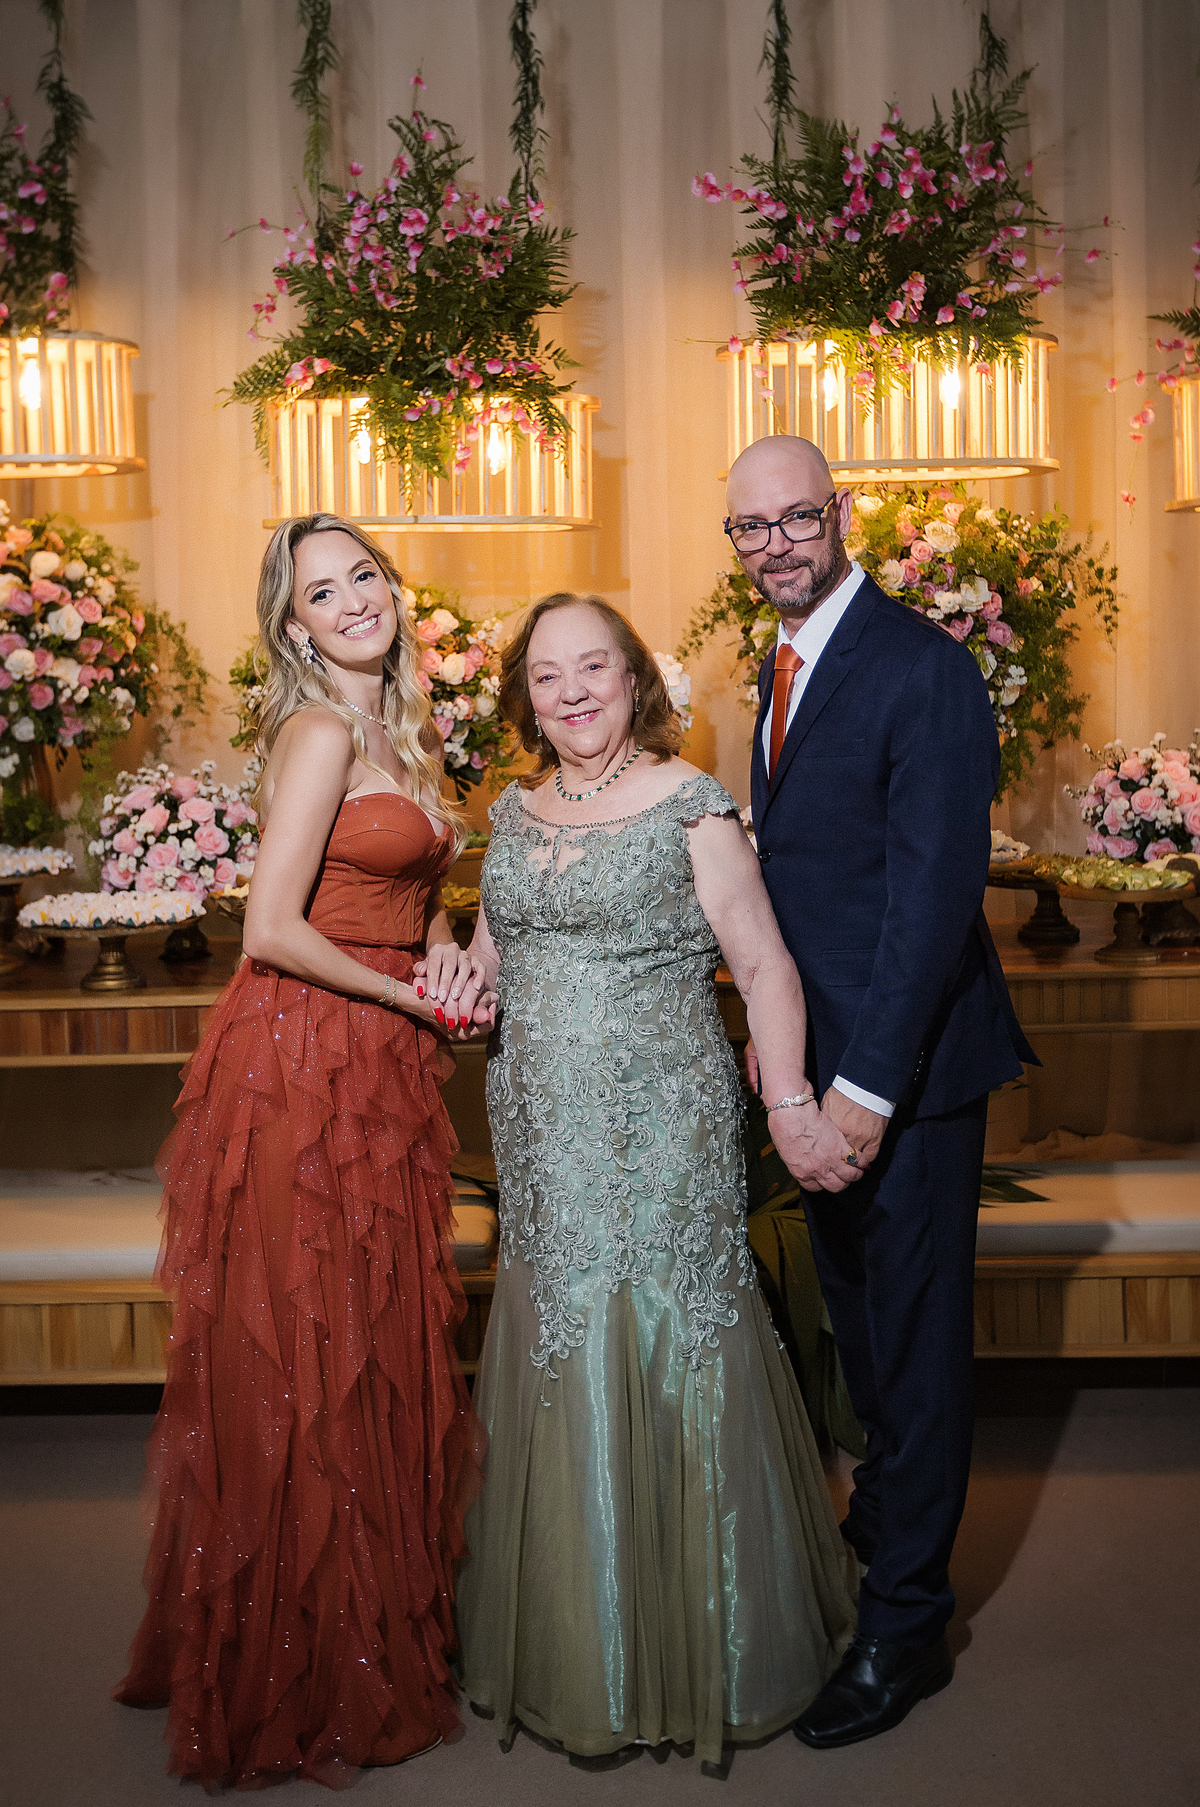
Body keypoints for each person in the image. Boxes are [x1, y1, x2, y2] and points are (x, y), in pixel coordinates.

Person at [428, 591, 859, 1767]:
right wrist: (457, 976)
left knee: (673, 1336)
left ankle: (709, 1644)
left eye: (594, 668)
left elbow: (765, 968)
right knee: (558, 1343)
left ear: (633, 679)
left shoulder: (690, 803)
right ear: (526, 698)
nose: (573, 691)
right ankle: (582, 1644)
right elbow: (494, 963)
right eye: (549, 675)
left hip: (662, 1125)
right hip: (541, 1134)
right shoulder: (511, 813)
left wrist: (787, 1099)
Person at [114, 514, 493, 1787]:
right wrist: (412, 1000)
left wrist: (448, 953)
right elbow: (270, 928)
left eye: (364, 576)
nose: (353, 602)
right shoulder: (323, 730)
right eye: (322, 592)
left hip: (373, 1057)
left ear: (391, 587)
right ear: (293, 624)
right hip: (300, 1055)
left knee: (371, 1335)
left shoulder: (405, 728)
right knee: (308, 1345)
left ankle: (364, 1630)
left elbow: (405, 897)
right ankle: (300, 1663)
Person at [724, 436, 1035, 1749]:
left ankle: (906, 1623)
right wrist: (779, 1046)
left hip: (902, 1072)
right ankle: (882, 1534)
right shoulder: (781, 660)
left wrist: (860, 1090)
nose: (777, 544)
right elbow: (802, 876)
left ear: (841, 513)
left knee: (912, 1347)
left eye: (798, 518)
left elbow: (931, 901)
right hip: (821, 1062)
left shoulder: (924, 666)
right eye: (752, 528)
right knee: (859, 1327)